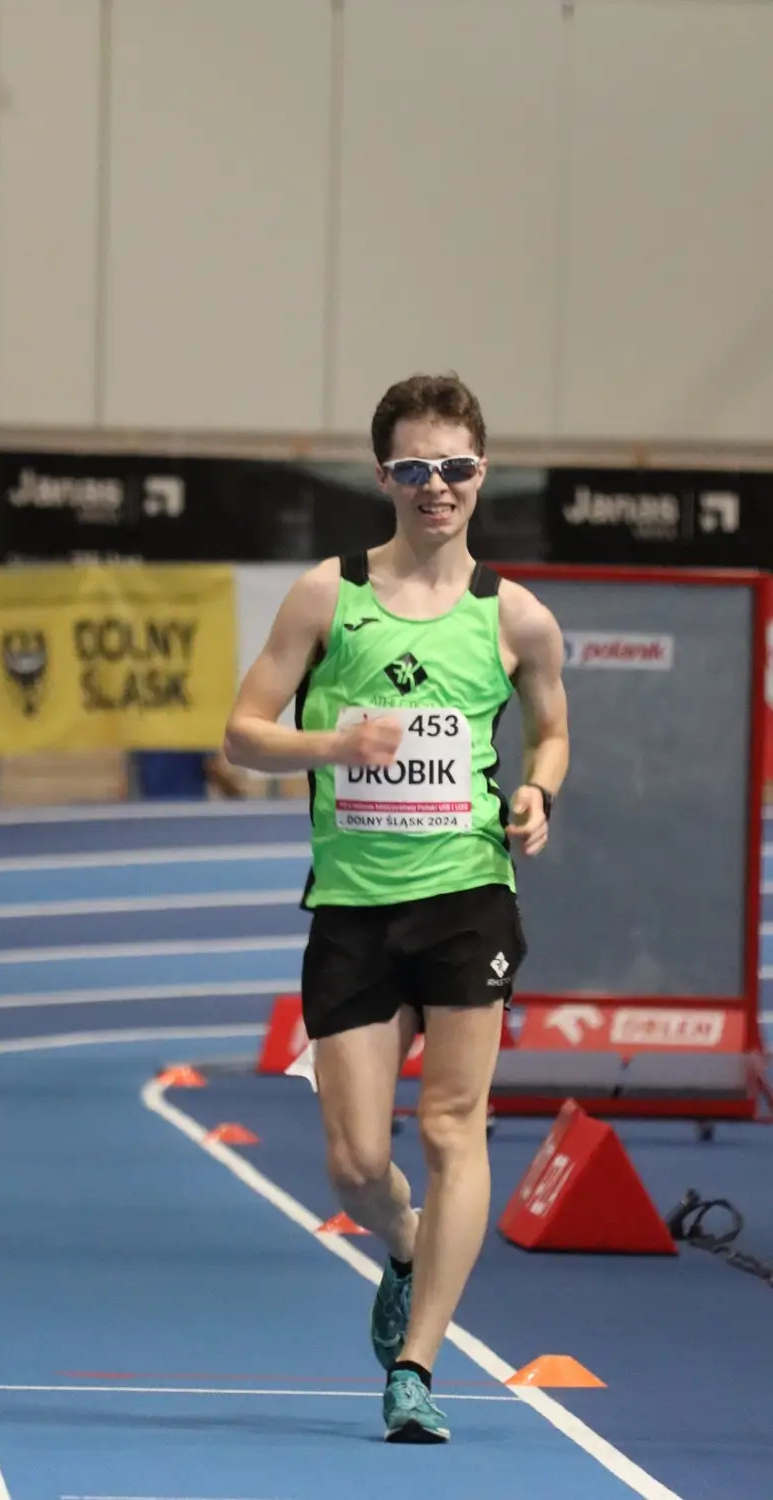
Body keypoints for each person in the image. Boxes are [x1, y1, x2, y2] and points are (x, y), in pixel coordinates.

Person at [223, 372, 569, 1444]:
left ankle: (416, 1365)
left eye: (456, 469)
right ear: (384, 476)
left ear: (481, 474)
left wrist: (538, 790)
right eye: (415, 469)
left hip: (468, 896)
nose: (437, 488)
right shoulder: (328, 596)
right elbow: (241, 733)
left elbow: (552, 730)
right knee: (356, 1162)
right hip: (354, 908)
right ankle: (406, 1240)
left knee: (453, 1126)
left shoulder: (514, 616)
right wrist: (330, 743)